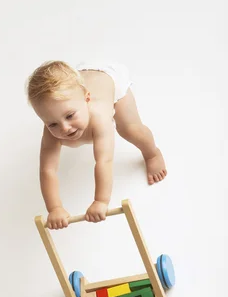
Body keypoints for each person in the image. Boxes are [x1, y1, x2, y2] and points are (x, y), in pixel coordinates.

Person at [26, 61, 167, 230]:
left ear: (86, 98)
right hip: (83, 77)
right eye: (52, 124)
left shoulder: (99, 119)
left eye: (70, 116)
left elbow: (104, 161)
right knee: (62, 109)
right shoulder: (52, 131)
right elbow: (47, 170)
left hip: (107, 81)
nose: (64, 128)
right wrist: (55, 208)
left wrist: (100, 201)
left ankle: (152, 153)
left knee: (130, 130)